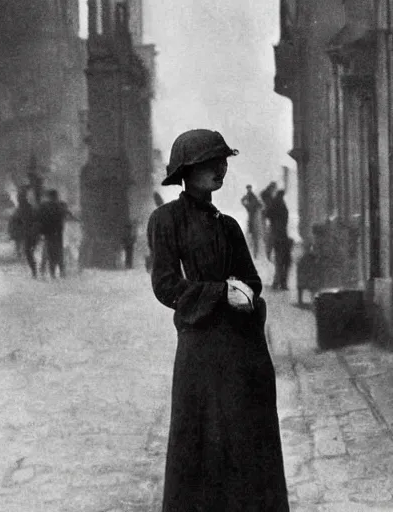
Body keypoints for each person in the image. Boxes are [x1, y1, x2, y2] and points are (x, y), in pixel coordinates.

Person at [147, 129, 289, 511]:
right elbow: (165, 285)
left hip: (243, 351)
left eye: (223, 161)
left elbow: (253, 279)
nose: (220, 169)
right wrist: (217, 293)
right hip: (201, 352)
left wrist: (246, 293)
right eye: (211, 163)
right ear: (187, 170)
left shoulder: (229, 226)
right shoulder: (166, 220)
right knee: (203, 444)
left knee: (246, 443)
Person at [36, 189, 76, 279]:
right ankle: (60, 271)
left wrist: (39, 230)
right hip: (58, 231)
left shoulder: (44, 206)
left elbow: (38, 217)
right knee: (58, 251)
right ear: (56, 196)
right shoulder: (61, 205)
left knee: (49, 251)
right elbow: (68, 214)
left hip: (48, 231)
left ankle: (50, 271)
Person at [10, 187, 40, 278]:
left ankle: (34, 269)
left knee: (28, 252)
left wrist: (15, 231)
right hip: (32, 233)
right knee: (29, 251)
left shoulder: (20, 209)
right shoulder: (30, 208)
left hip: (27, 233)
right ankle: (34, 269)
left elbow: (15, 221)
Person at [265, 189, 290, 290]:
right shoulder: (281, 204)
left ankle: (277, 282)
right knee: (284, 260)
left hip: (277, 235)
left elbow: (267, 214)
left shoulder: (275, 204)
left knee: (280, 260)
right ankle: (281, 283)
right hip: (281, 236)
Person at [241, 184, 263, 257]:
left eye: (249, 188)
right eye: (248, 188)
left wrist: (247, 206)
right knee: (253, 235)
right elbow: (244, 202)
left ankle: (254, 252)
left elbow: (257, 204)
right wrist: (247, 206)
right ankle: (253, 252)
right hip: (252, 218)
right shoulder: (249, 196)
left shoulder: (252, 196)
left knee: (253, 235)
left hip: (254, 218)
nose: (249, 189)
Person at [260, 181, 279, 260]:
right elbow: (268, 209)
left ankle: (269, 254)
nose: (274, 191)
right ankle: (269, 254)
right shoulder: (268, 197)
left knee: (269, 238)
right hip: (268, 220)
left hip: (268, 220)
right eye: (274, 189)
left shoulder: (267, 196)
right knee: (270, 237)